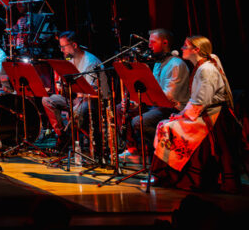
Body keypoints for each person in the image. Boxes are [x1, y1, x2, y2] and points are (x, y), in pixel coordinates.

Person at [152, 35, 236, 190]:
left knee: (168, 127)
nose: (182, 48)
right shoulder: (200, 67)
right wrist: (181, 114)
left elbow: (201, 101)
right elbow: (196, 99)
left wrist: (181, 115)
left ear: (196, 50)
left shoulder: (206, 69)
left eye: (185, 46)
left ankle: (175, 175)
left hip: (212, 116)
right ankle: (166, 174)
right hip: (202, 112)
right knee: (165, 124)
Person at [117, 29, 190, 165]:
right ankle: (134, 151)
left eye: (152, 42)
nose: (149, 46)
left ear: (165, 42)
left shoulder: (176, 64)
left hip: (173, 108)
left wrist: (143, 102)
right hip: (157, 105)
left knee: (140, 121)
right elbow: (150, 90)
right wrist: (136, 103)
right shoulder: (158, 63)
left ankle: (157, 158)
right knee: (121, 109)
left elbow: (168, 96)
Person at [41, 31, 110, 149]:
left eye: (64, 47)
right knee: (47, 100)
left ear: (74, 45)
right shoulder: (70, 59)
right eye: (60, 47)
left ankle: (95, 142)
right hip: (77, 97)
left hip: (93, 100)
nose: (62, 50)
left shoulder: (90, 62)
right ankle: (63, 136)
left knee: (77, 111)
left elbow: (89, 91)